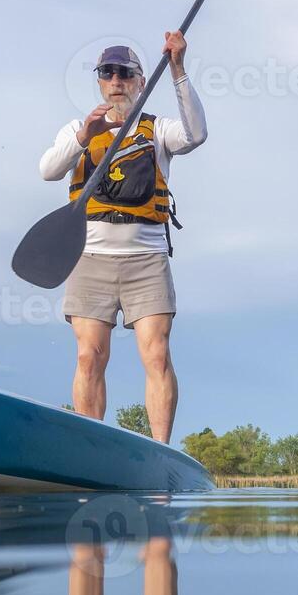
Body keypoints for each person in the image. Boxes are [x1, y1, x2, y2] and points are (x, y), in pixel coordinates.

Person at [39, 34, 207, 444]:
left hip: (146, 260)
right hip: (89, 256)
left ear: (138, 80)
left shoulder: (158, 129)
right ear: (99, 82)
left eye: (125, 73)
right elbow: (48, 170)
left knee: (156, 354)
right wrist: (84, 136)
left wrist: (179, 69)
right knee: (88, 356)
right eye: (107, 73)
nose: (116, 80)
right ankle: (92, 446)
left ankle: (160, 451)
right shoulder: (78, 129)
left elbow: (196, 134)